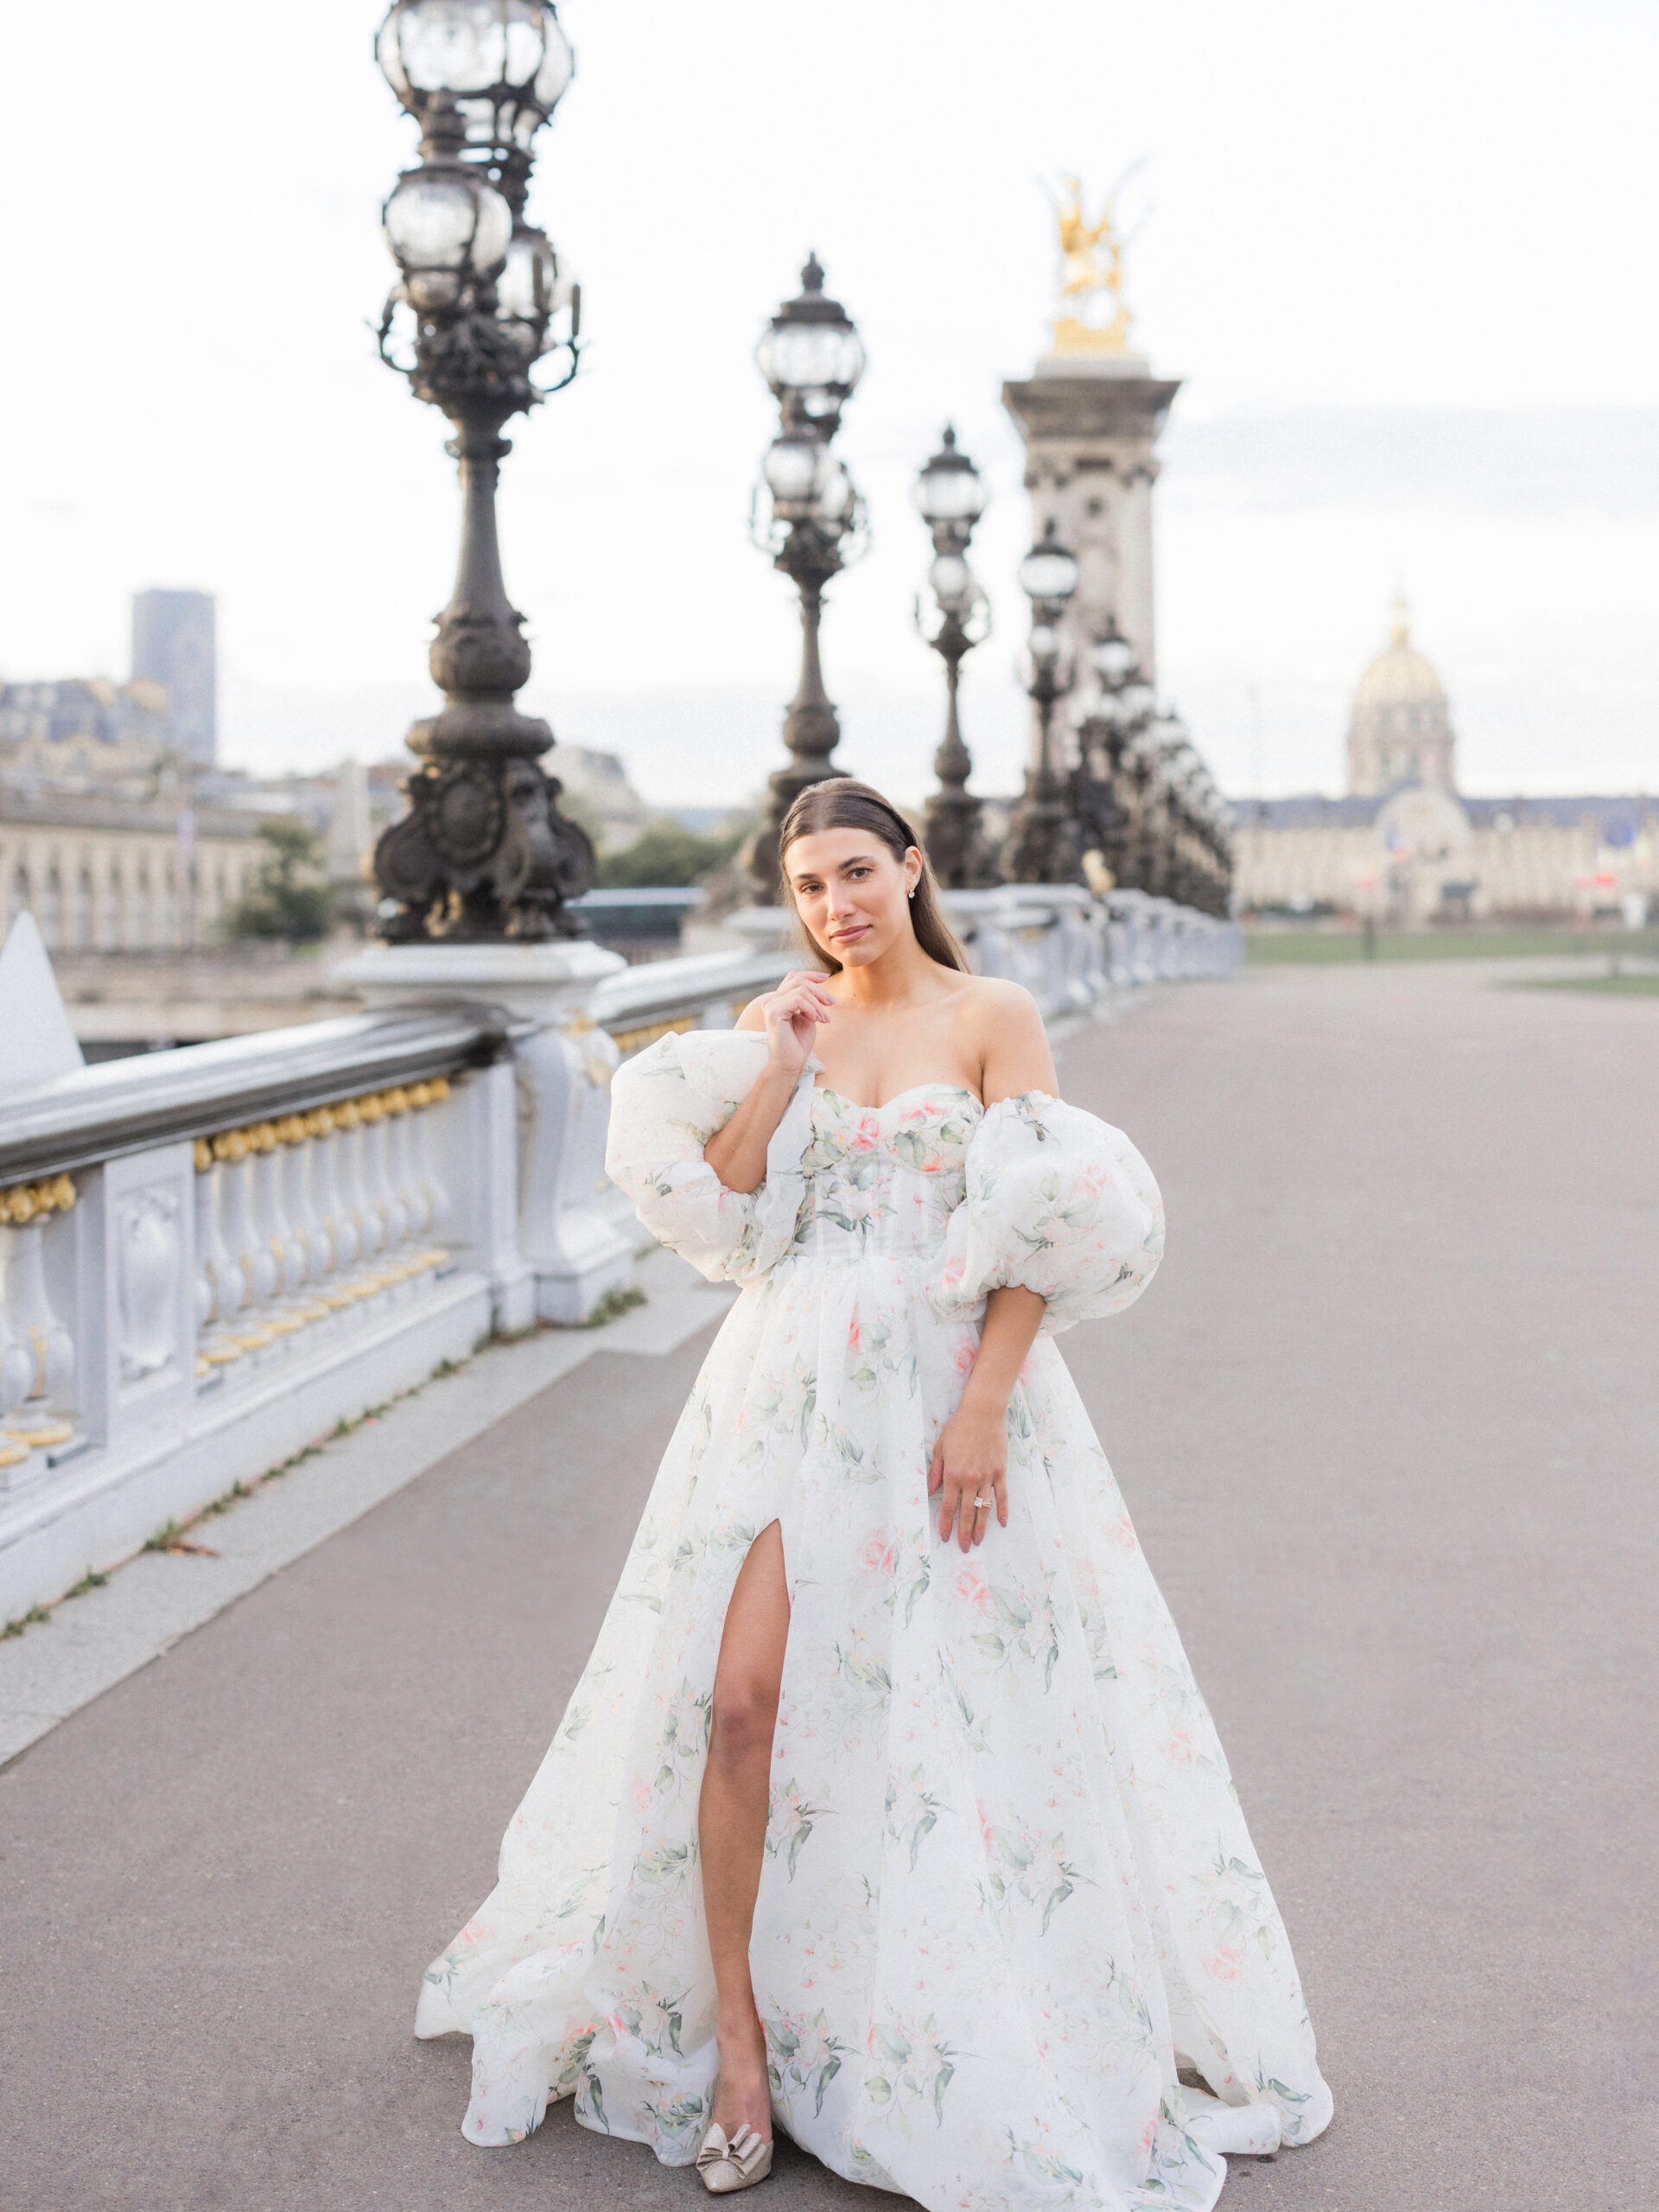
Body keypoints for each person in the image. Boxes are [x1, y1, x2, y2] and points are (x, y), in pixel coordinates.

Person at [416, 779, 1333, 2208]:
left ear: (912, 868)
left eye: (857, 871)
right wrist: (778, 1067)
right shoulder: (787, 1028)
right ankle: (738, 2048)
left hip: (950, 1390)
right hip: (783, 1387)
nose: (835, 904)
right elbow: (732, 1223)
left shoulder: (992, 1018)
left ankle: (926, 2022)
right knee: (737, 1708)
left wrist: (981, 1408)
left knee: (948, 1723)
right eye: (807, 887)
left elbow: (1049, 1224)